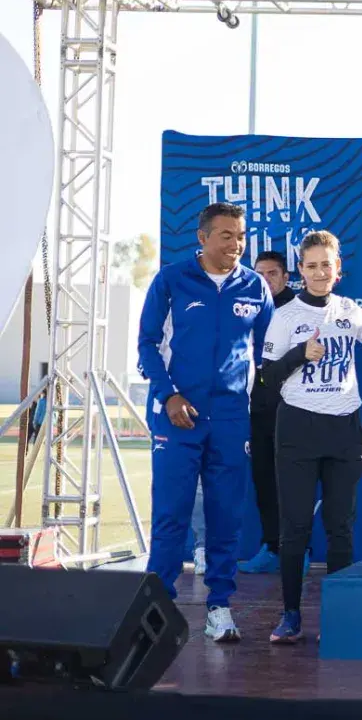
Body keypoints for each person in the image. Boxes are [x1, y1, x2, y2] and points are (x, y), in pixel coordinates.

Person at [137, 202, 275, 642]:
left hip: (231, 420)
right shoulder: (172, 280)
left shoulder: (254, 286)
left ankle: (219, 607)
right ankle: (155, 610)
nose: (236, 244)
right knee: (171, 515)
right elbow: (147, 345)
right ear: (202, 238)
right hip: (177, 417)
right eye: (226, 236)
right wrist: (169, 395)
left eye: (241, 236)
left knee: (225, 516)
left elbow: (267, 352)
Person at [260, 230, 362, 643]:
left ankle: (339, 618)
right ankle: (290, 615)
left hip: (344, 429)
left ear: (338, 268)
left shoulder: (349, 309)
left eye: (327, 264)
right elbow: (267, 377)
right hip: (298, 430)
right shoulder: (285, 316)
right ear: (300, 271)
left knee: (340, 527)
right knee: (295, 528)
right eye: (312, 266)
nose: (320, 272)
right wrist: (299, 354)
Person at [239, 250, 301, 575]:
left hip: (294, 408)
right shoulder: (244, 308)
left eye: (272, 273)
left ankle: (298, 550)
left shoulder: (301, 308)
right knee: (263, 480)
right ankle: (272, 546)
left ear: (286, 277)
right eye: (259, 274)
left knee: (294, 482)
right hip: (257, 408)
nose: (265, 280)